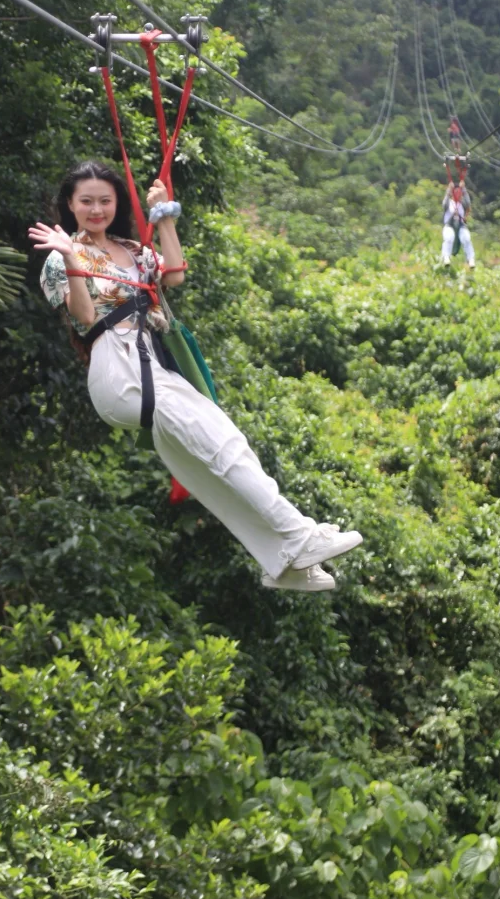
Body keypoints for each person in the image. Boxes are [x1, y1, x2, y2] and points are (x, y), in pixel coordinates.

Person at [29, 161, 362, 592]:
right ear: (70, 205)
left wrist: (164, 214)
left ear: (116, 203)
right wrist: (71, 259)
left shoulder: (131, 249)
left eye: (105, 201)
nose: (97, 210)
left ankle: (285, 563)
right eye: (86, 201)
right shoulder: (62, 255)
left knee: (221, 453)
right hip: (116, 367)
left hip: (151, 363)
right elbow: (85, 315)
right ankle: (300, 536)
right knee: (221, 446)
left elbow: (175, 273)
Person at [441, 179, 475, 269]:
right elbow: (444, 204)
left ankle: (470, 259)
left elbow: (468, 203)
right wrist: (449, 190)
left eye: (459, 192)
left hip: (461, 226)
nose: (457, 194)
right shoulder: (449, 203)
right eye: (455, 192)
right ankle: (446, 257)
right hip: (449, 226)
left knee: (466, 239)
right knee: (449, 238)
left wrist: (464, 189)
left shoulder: (462, 204)